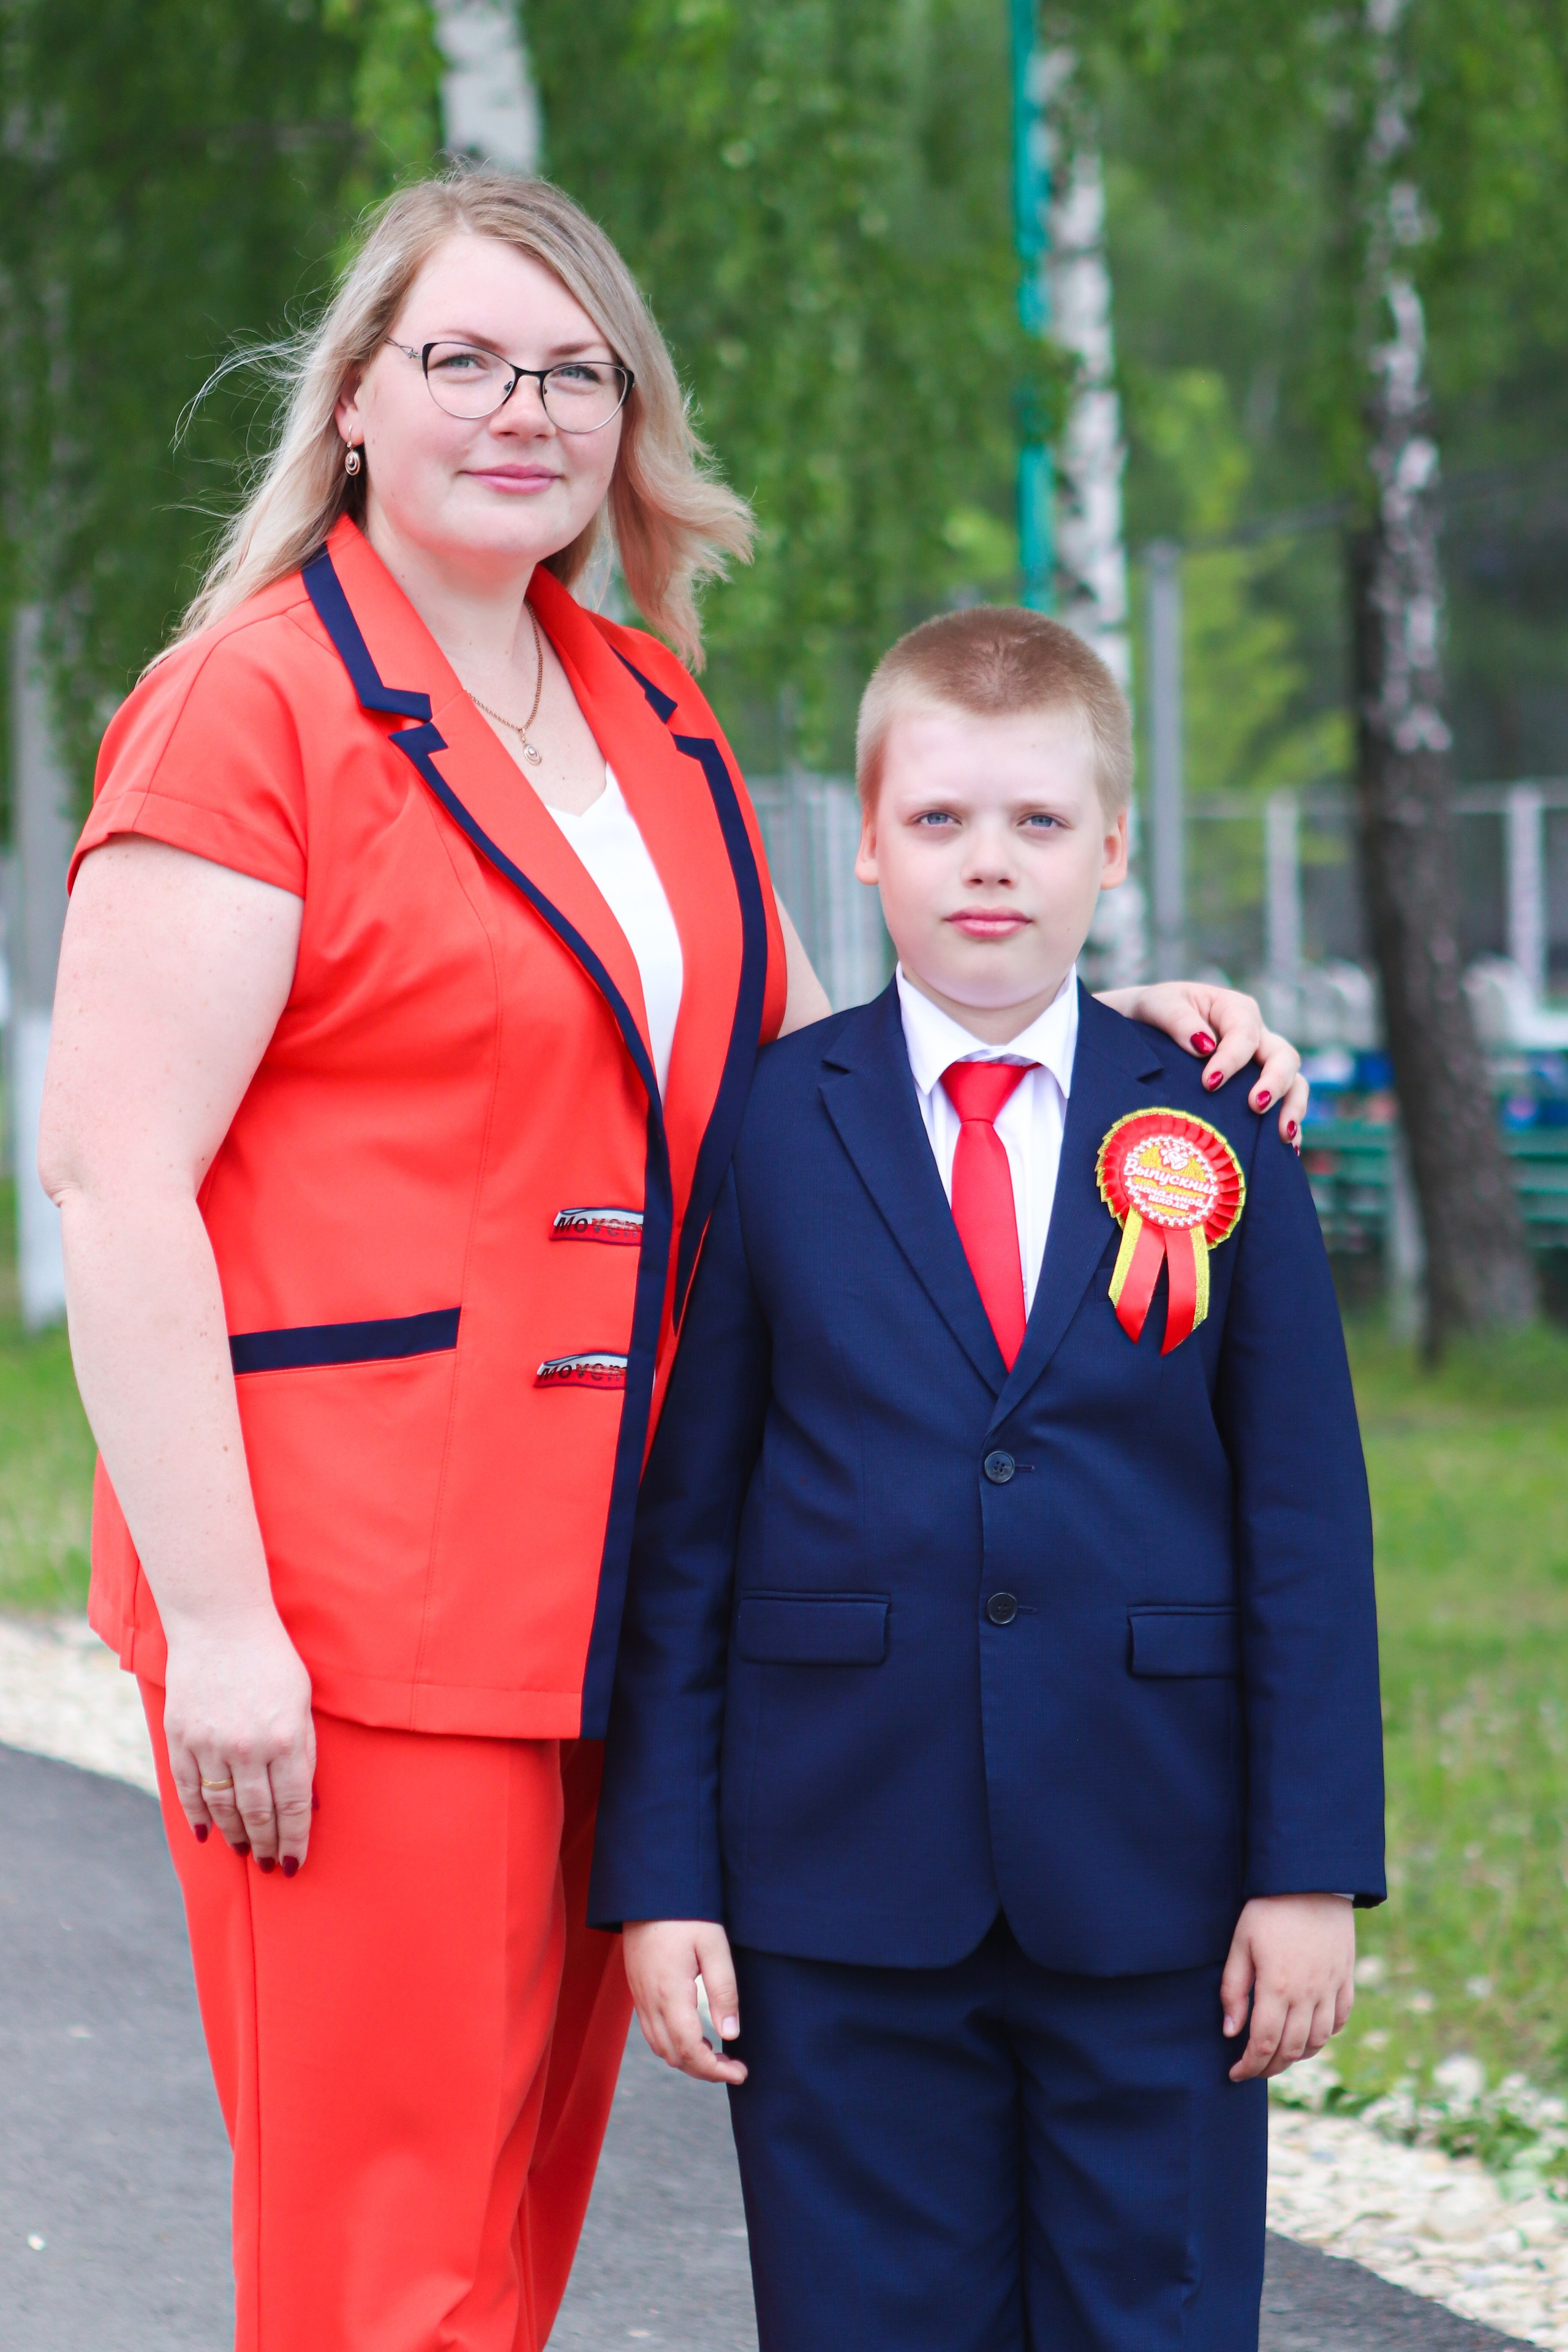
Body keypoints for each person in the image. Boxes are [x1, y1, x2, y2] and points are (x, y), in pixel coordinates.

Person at [41, 165, 1306, 2351]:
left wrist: (1129, 1057)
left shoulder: (645, 705)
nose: (519, 411)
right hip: (357, 1625)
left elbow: (813, 1094)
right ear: (355, 399)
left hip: (624, 1606)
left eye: (573, 372)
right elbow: (112, 1177)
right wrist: (228, 1626)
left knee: (514, 2243)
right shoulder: (245, 712)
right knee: (383, 2266)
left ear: (627, 416)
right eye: (461, 361)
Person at [590, 606, 1385, 2352]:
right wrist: (666, 1881)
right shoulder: (775, 1121)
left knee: (1155, 2320)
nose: (989, 869)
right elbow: (691, 1530)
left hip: (1158, 1883)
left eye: (1037, 825)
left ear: (1111, 847)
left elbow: (1305, 1520)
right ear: (867, 842)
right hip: (837, 1884)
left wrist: (1309, 1866)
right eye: (940, 822)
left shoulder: (1214, 1118)